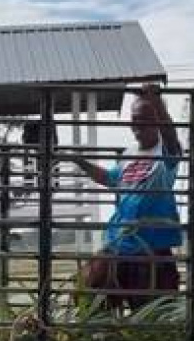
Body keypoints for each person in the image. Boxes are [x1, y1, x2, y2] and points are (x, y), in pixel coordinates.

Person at [69, 84, 183, 312]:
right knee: (87, 288)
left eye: (144, 120)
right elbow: (111, 179)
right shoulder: (129, 154)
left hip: (151, 247)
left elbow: (171, 137)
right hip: (120, 242)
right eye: (134, 120)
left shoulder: (166, 153)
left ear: (157, 122)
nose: (137, 126)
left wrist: (157, 102)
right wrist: (81, 162)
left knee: (150, 311)